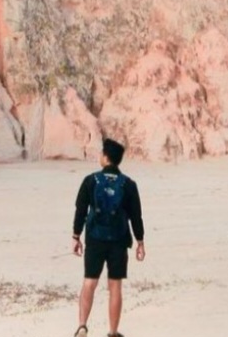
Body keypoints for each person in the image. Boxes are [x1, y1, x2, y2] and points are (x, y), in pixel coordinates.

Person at [72, 138, 145, 337]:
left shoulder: (90, 180)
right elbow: (136, 216)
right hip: (119, 240)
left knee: (89, 281)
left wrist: (76, 236)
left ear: (105, 157)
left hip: (95, 239)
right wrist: (140, 241)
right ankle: (113, 332)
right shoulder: (129, 184)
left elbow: (80, 210)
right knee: (115, 286)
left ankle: (82, 326)